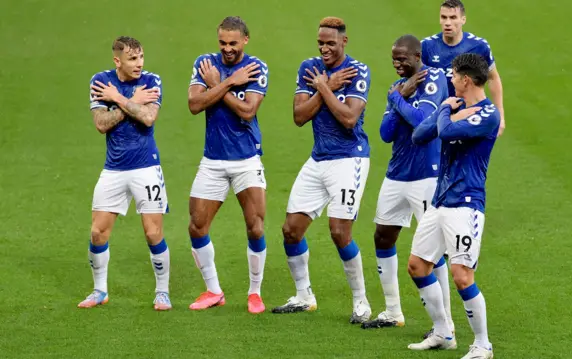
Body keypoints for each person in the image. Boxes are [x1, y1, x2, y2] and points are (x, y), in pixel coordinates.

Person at [271, 16, 372, 324]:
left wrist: (323, 90)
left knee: (340, 232)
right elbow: (299, 116)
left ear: (344, 41)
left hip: (349, 159)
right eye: (321, 43)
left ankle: (361, 303)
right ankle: (304, 296)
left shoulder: (358, 71)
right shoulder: (309, 69)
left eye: (330, 43)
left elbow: (349, 119)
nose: (325, 48)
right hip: (318, 159)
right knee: (290, 230)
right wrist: (326, 85)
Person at [407, 53, 499, 359]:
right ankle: (443, 332)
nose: (450, 80)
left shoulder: (488, 115)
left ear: (467, 80)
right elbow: (420, 136)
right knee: (418, 266)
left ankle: (482, 345)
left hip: (466, 204)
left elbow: (446, 133)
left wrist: (445, 110)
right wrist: (445, 111)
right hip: (441, 199)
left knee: (462, 276)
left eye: (455, 76)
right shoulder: (456, 106)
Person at [361, 34, 448, 329]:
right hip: (397, 173)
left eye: (402, 59)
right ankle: (392, 311)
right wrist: (398, 97)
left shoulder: (434, 79)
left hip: (426, 174)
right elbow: (385, 133)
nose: (397, 64)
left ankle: (444, 321)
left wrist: (397, 98)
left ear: (417, 56)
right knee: (382, 236)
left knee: (432, 250)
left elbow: (423, 121)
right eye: (393, 59)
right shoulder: (396, 87)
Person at [79, 36, 171, 311]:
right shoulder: (100, 81)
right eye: (132, 59)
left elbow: (148, 117)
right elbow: (101, 123)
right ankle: (99, 290)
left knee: (153, 234)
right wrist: (132, 101)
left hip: (146, 167)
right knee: (97, 233)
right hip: (114, 169)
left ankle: (162, 292)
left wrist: (118, 98)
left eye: (141, 57)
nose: (139, 64)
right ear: (117, 61)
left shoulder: (152, 81)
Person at [186, 16, 269, 314]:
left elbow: (248, 111)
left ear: (245, 39)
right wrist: (230, 84)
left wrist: (219, 86)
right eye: (222, 42)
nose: (227, 49)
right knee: (197, 226)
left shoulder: (256, 68)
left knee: (256, 228)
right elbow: (195, 105)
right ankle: (213, 290)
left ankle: (255, 293)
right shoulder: (205, 63)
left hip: (246, 159)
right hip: (213, 160)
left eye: (233, 43)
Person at [422, 0, 505, 136]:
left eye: (453, 17)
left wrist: (501, 116)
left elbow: (493, 78)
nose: (447, 23)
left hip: (467, 118)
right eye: (444, 17)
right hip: (436, 118)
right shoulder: (426, 47)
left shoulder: (479, 46)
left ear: (463, 20)